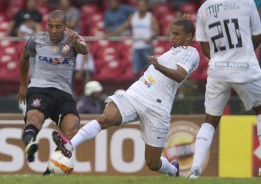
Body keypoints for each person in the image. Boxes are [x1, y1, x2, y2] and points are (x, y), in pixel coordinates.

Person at [52, 18, 200, 176]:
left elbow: (179, 75)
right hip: (137, 93)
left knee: (152, 163)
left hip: (158, 107)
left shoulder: (191, 53)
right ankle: (69, 146)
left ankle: (172, 170)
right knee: (105, 118)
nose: (172, 37)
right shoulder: (174, 50)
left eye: (177, 34)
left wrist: (159, 66)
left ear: (189, 37)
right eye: (172, 33)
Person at [188, 0, 261, 178]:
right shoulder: (247, 3)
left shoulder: (203, 9)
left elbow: (204, 45)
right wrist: (243, 53)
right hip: (245, 68)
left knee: (210, 119)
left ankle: (195, 169)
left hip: (218, 69)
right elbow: (258, 34)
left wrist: (221, 58)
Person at [17, 10, 88, 175]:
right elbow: (23, 58)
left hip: (63, 93)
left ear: (65, 26)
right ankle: (30, 142)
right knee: (35, 118)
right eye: (50, 26)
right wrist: (22, 85)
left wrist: (75, 43)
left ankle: (51, 169)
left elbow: (84, 50)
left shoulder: (73, 38)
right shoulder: (36, 39)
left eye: (58, 27)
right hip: (39, 88)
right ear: (46, 25)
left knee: (73, 127)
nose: (54, 30)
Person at [113, 0, 159, 77]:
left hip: (147, 47)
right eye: (140, 5)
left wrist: (151, 37)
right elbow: (123, 27)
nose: (141, 7)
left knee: (150, 71)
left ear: (146, 7)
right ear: (137, 6)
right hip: (136, 47)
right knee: (136, 71)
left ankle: (150, 88)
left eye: (143, 5)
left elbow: (156, 31)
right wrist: (111, 34)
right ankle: (137, 88)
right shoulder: (133, 16)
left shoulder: (150, 17)